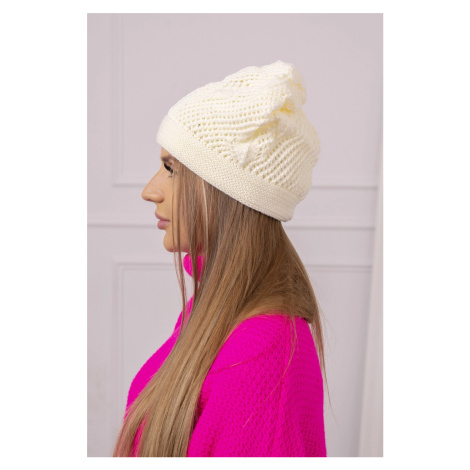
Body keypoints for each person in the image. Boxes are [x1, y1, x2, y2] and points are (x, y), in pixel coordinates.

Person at [113, 60, 328, 457]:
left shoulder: (262, 353)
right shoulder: (214, 308)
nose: (150, 191)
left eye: (171, 169)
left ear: (227, 193)